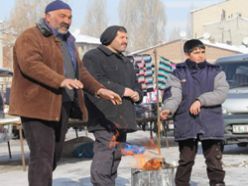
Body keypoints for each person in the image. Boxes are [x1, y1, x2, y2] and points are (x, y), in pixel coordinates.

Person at [9, 1, 121, 186]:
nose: (67, 20)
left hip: (61, 106)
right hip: (36, 106)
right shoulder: (30, 36)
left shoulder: (68, 40)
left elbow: (81, 71)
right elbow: (31, 64)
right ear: (48, 16)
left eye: (70, 17)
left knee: (53, 155)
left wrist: (100, 90)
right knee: (42, 156)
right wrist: (60, 80)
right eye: (62, 16)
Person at [160, 39, 229, 186]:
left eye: (202, 52)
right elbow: (174, 95)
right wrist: (168, 109)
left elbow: (221, 93)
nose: (200, 55)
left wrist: (200, 100)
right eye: (196, 52)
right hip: (187, 122)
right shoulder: (177, 73)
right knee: (185, 162)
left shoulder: (216, 71)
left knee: (214, 162)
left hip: (211, 123)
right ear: (187, 54)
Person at [83, 25, 143, 186]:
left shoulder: (126, 60)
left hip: (122, 116)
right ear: (110, 38)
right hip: (103, 114)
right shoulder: (93, 56)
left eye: (127, 38)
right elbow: (94, 81)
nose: (126, 41)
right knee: (106, 152)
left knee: (116, 153)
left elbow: (136, 85)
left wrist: (137, 94)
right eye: (122, 37)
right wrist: (123, 91)